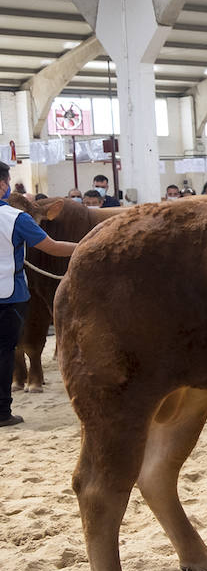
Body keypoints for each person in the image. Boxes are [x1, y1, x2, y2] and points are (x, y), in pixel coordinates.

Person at [0, 161, 79, 425]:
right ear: (2, 185)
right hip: (8, 294)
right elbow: (53, 247)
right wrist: (87, 245)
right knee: (5, 350)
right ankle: (2, 412)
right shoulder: (15, 218)